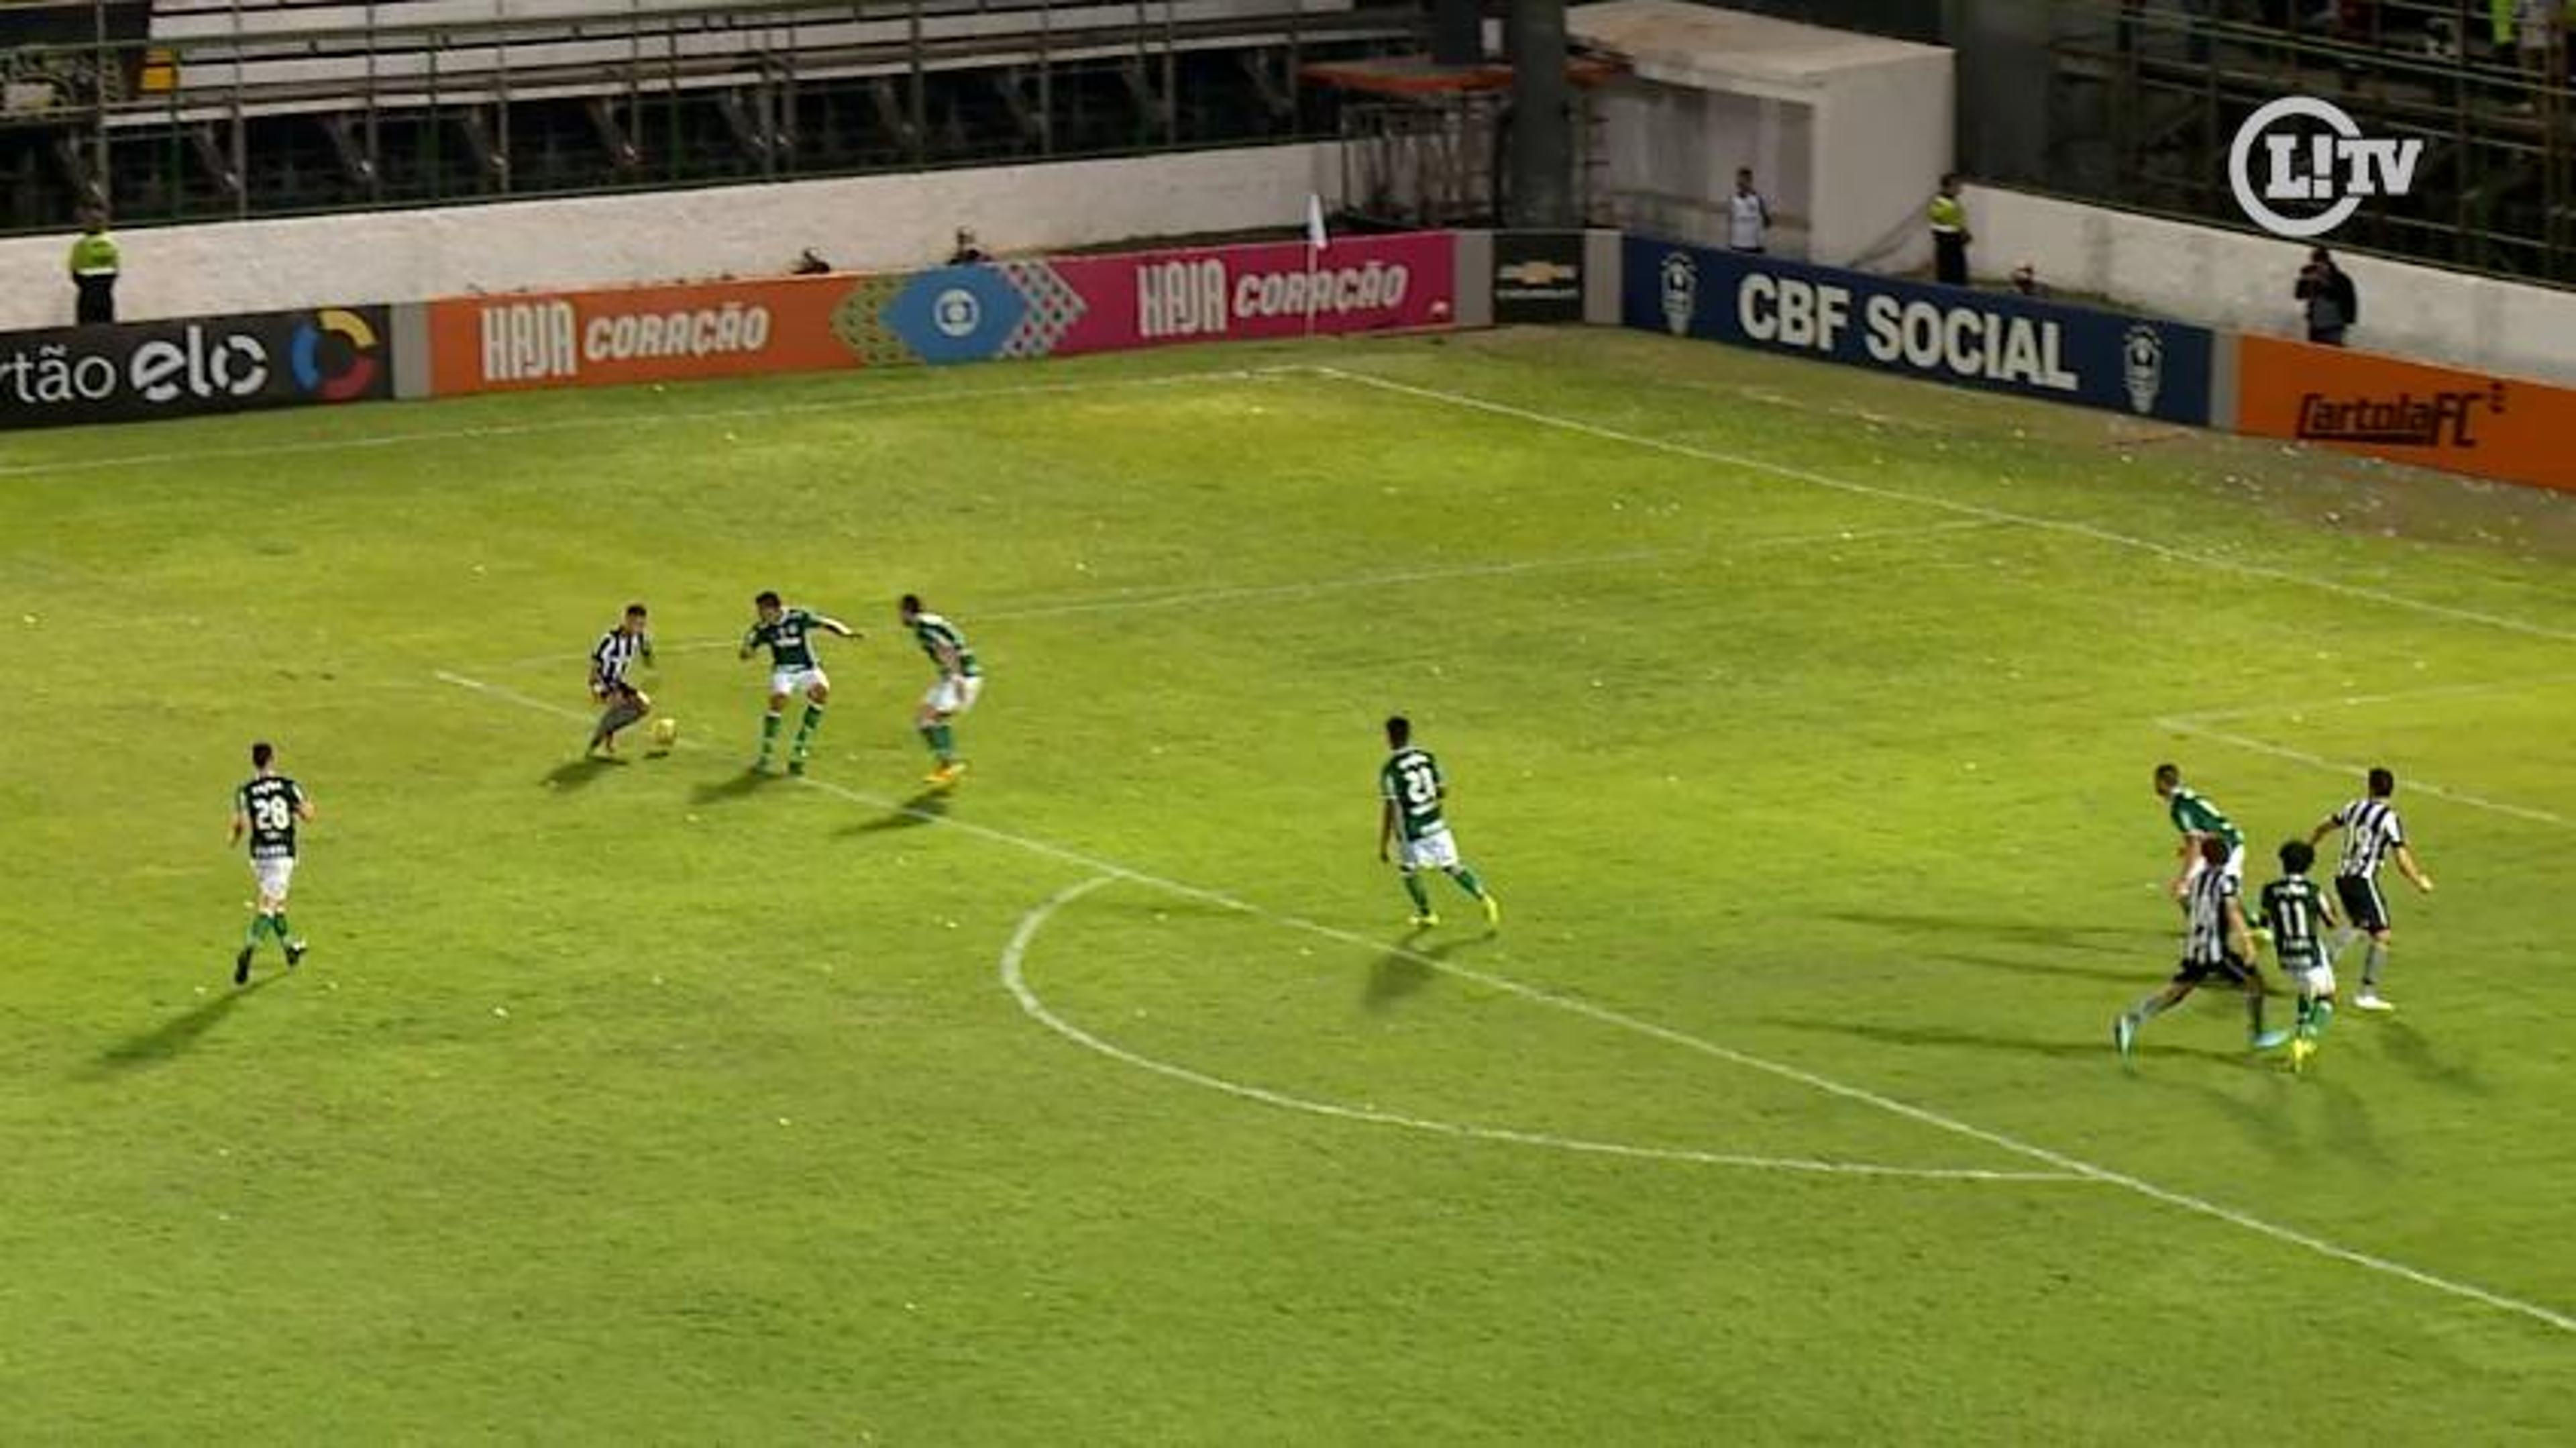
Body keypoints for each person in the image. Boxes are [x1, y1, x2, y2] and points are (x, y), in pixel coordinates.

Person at [2114, 835, 2288, 1058]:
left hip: (2196, 947)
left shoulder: (2197, 881)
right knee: (2256, 983)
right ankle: (2259, 1035)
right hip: (2215, 952)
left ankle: (2131, 1020)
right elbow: (2232, 911)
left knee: (2177, 993)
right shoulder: (2225, 882)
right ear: (2225, 857)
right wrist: (2247, 943)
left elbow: (2190, 906)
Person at [2309, 767, 2434, 1012]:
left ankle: (2322, 966)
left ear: (2370, 787)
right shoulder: (2389, 818)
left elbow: (2325, 825)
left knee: (2359, 925)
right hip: (2362, 880)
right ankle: (2364, 992)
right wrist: (2419, 881)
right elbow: (2401, 857)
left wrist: (2311, 844)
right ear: (2392, 790)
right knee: (2382, 934)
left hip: (2343, 877)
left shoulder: (2354, 807)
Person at [1377, 715, 1501, 931]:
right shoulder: (1427, 757)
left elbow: (1391, 807)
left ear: (1389, 737)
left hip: (1411, 831)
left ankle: (1427, 914)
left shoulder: (1391, 769)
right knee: (1453, 866)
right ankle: (1485, 898)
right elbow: (1443, 790)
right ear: (1408, 734)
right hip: (1436, 824)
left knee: (1408, 871)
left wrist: (1384, 843)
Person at [740, 590, 857, 774]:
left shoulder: (798, 617)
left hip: (808, 668)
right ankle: (766, 755)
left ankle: (800, 749)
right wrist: (747, 650)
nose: (761, 615)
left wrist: (845, 632)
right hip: (783, 671)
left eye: (763, 611)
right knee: (779, 700)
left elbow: (825, 623)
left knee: (821, 692)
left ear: (775, 609)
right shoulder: (763, 628)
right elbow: (747, 650)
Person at [227, 741, 313, 984]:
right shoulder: (288, 786)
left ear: (254, 761)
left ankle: (290, 948)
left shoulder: (246, 790)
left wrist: (232, 840)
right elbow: (308, 815)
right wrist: (301, 807)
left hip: (260, 855)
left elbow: (240, 825)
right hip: (282, 854)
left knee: (277, 903)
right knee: (267, 906)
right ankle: (249, 949)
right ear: (272, 759)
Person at [2257, 839, 2341, 1072]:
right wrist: (2331, 906)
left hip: (2286, 956)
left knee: (2306, 993)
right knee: (2328, 998)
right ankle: (2304, 1041)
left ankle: (2303, 1032)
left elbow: (2262, 925)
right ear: (2309, 865)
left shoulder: (2269, 891)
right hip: (2310, 953)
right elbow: (2333, 923)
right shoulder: (2315, 891)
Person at [899, 594, 981, 787]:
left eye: (901, 613)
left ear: (907, 611)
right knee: (922, 719)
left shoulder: (922, 627)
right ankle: (947, 765)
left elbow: (946, 649)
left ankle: (949, 765)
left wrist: (958, 678)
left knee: (934, 717)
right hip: (950, 677)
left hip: (961, 676)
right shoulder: (930, 620)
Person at [2153, 763, 2246, 899]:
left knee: (2185, 890)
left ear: (2161, 783)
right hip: (2225, 845)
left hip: (2227, 849)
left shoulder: (2180, 808)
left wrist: (2184, 878)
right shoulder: (2188, 797)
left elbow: (2194, 844)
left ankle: (2203, 920)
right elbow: (2206, 828)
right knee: (2220, 893)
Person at [586, 603, 656, 758]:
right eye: (637, 624)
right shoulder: (610, 640)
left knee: (644, 706)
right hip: (602, 682)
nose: (640, 627)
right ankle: (596, 745)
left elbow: (648, 656)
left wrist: (649, 657)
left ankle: (607, 735)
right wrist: (598, 690)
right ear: (627, 620)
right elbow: (594, 669)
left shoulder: (640, 636)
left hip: (618, 682)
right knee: (619, 704)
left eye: (643, 624)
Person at [2295, 248, 2359, 346]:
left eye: (2321, 264)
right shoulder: (2312, 276)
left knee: (2333, 352)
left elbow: (2338, 295)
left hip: (2334, 324)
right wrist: (2305, 281)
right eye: (2316, 263)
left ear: (2327, 263)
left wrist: (2323, 282)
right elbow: (2299, 295)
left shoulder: (2341, 279)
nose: (2319, 267)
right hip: (2316, 324)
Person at [68, 211, 119, 325]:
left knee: (86, 323)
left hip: (87, 289)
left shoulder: (81, 245)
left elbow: (74, 268)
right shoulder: (111, 243)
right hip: (105, 290)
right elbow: (116, 268)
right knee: (107, 322)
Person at [1927, 174, 1972, 286]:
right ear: (1947, 187)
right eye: (1956, 185)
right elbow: (1954, 224)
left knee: (1947, 274)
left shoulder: (1944, 202)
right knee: (1953, 276)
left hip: (1948, 243)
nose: (1960, 188)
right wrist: (1964, 234)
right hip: (1950, 243)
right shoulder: (1947, 205)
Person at [1727, 168, 1771, 254]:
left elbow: (1768, 223)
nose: (1741, 184)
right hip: (1736, 245)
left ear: (1750, 181)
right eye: (1739, 181)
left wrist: (1762, 218)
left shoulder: (1758, 199)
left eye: (1744, 181)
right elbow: (1730, 221)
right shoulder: (1733, 199)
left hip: (1754, 247)